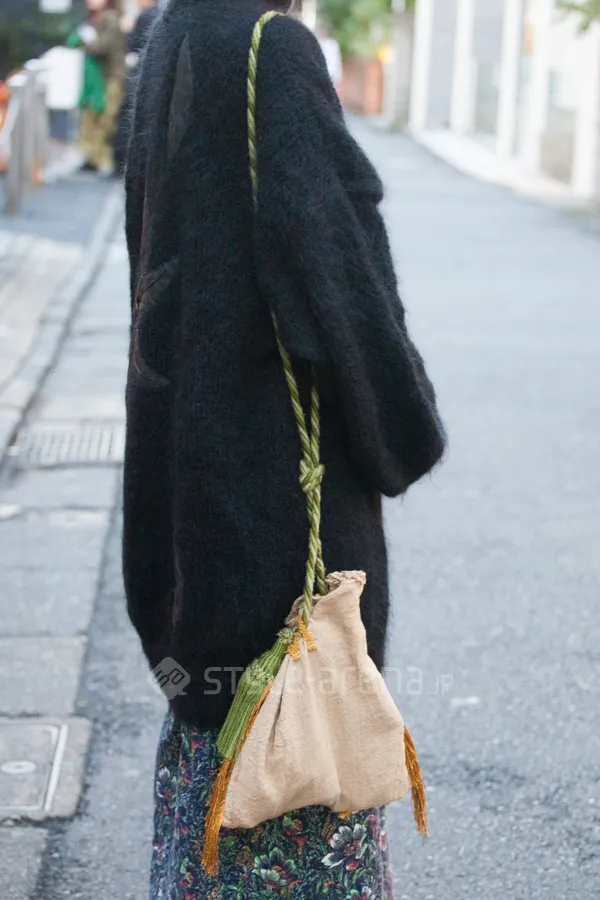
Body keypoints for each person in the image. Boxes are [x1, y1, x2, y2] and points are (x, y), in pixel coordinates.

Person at [124, 1, 446, 897]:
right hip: (273, 510)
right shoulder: (275, 50)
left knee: (216, 762)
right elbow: (337, 278)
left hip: (191, 492)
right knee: (298, 759)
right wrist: (406, 427)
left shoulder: (174, 34)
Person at [76, 0, 125, 175]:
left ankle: (103, 160)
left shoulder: (110, 17)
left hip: (111, 77)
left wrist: (83, 41)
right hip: (99, 77)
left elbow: (101, 47)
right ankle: (92, 159)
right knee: (92, 117)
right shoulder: (94, 17)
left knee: (106, 119)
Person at [114, 0, 160, 172]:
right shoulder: (159, 16)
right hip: (148, 75)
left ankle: (121, 163)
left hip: (140, 75)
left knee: (128, 118)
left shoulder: (147, 16)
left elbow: (133, 45)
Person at [317, 21, 344, 101]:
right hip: (321, 72)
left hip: (332, 73)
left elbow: (337, 60)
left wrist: (339, 75)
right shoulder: (318, 42)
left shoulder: (333, 44)